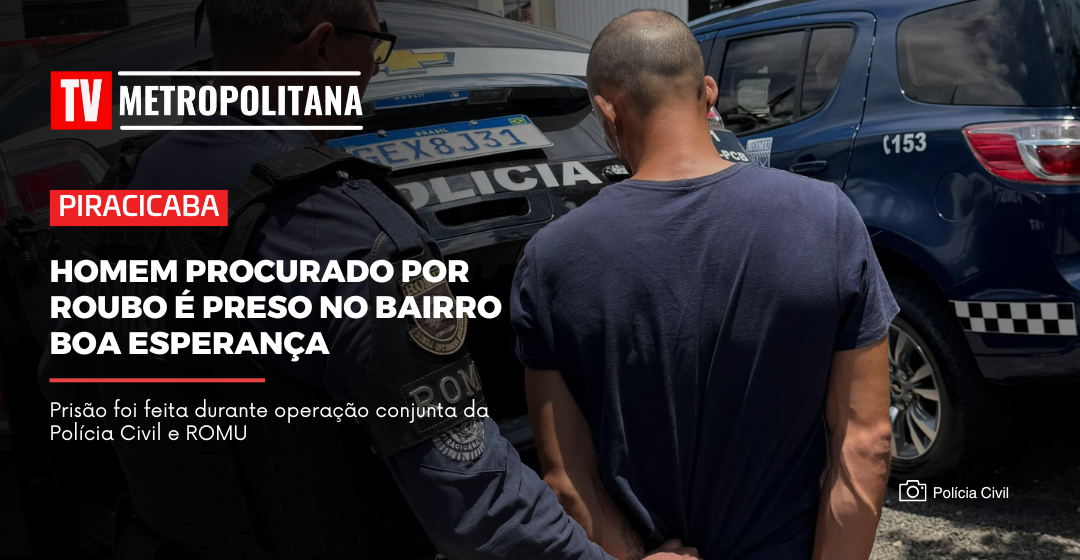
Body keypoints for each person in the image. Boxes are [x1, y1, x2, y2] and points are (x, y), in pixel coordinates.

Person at [38, 2, 699, 560]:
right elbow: (474, 502)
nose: (375, 67)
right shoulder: (343, 227)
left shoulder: (128, 185)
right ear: (324, 46)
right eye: (374, 45)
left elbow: (66, 381)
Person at [511, 9, 896, 560]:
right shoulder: (825, 217)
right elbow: (866, 444)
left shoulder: (551, 259)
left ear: (607, 110)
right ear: (708, 91)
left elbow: (568, 481)